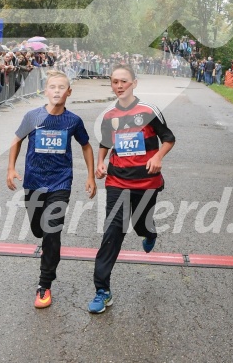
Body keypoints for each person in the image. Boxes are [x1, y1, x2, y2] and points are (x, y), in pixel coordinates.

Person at [88, 64, 175, 314]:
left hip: (147, 181)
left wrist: (158, 157)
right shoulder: (108, 115)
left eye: (124, 81)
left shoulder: (149, 111)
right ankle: (102, 290)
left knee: (141, 223)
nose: (119, 86)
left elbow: (168, 139)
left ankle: (149, 232)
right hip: (117, 181)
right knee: (112, 233)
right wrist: (101, 162)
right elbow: (105, 142)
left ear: (134, 83)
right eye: (115, 81)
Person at [6, 70, 96, 308]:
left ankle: (44, 285)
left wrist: (90, 176)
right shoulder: (32, 116)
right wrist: (11, 169)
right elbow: (17, 140)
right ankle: (46, 246)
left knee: (51, 232)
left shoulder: (73, 121)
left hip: (60, 183)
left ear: (69, 92)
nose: (57, 91)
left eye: (61, 87)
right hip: (34, 181)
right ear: (46, 91)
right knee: (38, 230)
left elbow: (86, 146)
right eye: (52, 87)